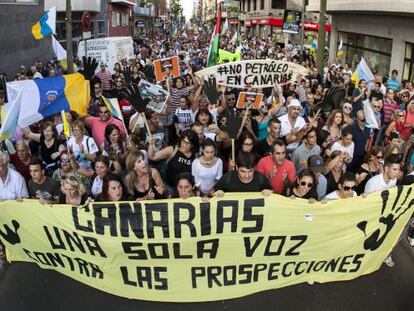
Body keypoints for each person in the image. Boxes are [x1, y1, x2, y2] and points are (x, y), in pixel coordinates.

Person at [364, 155, 402, 268]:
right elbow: (365, 205)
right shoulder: (373, 183)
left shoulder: (393, 180)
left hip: (382, 216)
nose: (397, 173)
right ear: (386, 169)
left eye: (398, 169)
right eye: (394, 169)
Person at [148, 129, 199, 193]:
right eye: (183, 141)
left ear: (192, 144)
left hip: (187, 190)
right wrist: (151, 145)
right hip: (171, 188)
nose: (184, 145)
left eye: (188, 143)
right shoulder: (172, 150)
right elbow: (152, 156)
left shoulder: (196, 156)